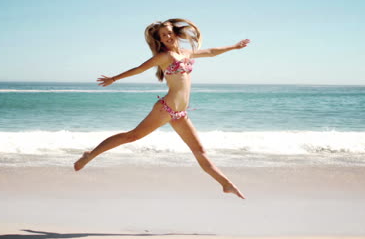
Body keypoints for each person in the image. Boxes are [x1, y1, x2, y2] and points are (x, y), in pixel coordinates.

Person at [74, 18, 250, 199]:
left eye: (169, 33)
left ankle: (226, 184)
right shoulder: (164, 57)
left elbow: (211, 52)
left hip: (180, 114)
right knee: (132, 136)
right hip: (165, 108)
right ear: (160, 40)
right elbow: (138, 69)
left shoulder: (186, 53)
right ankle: (90, 154)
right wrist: (114, 78)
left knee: (200, 151)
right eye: (163, 35)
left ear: (175, 32)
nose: (167, 36)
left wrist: (234, 47)